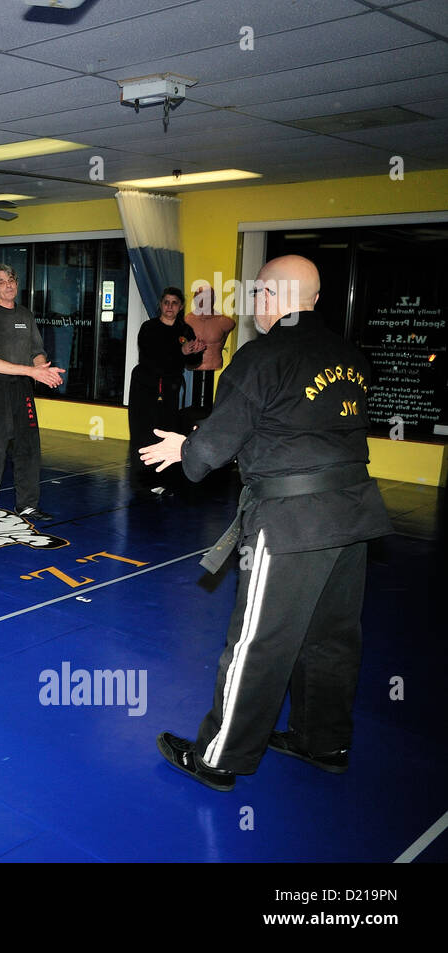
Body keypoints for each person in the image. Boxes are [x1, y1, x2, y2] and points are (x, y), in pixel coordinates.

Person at [140, 255, 392, 791]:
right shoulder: (351, 356)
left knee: (259, 641)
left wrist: (189, 449)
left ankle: (219, 756)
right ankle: (323, 741)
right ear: (317, 300)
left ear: (269, 299)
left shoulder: (263, 357)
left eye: (257, 295)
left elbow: (213, 447)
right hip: (354, 516)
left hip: (291, 522)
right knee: (333, 638)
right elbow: (306, 425)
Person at [0, 265, 63, 527]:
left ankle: (28, 506)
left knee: (28, 449)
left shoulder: (25, 315)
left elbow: (37, 350)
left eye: (11, 280)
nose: (8, 285)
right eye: (2, 282)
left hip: (23, 389)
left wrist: (43, 369)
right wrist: (32, 372)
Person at [128, 286, 204, 489]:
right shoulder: (149, 327)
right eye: (166, 302)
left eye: (174, 303)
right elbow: (151, 355)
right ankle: (142, 479)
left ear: (180, 307)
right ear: (160, 304)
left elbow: (193, 361)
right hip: (145, 386)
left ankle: (163, 478)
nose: (170, 306)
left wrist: (195, 351)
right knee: (143, 431)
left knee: (167, 430)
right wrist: (180, 350)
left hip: (170, 388)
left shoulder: (185, 330)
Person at [184, 281, 235, 417]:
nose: (203, 301)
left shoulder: (225, 322)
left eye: (207, 297)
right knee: (194, 409)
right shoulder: (187, 320)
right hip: (195, 365)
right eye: (200, 297)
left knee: (207, 408)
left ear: (213, 299)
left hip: (213, 363)